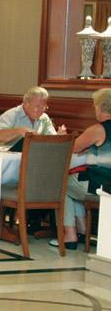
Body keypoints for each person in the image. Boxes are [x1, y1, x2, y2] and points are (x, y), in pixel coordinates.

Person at [57, 88, 111, 250]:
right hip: (108, 184)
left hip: (98, 184)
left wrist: (61, 137)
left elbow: (70, 148)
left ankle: (70, 234)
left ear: (100, 107)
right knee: (73, 185)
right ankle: (82, 229)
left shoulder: (98, 129)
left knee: (61, 184)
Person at [0, 86, 66, 144]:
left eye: (43, 107)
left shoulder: (44, 117)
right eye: (37, 107)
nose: (41, 111)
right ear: (26, 103)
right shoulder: (11, 115)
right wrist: (19, 131)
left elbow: (51, 139)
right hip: (8, 156)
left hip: (34, 155)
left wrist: (59, 137)